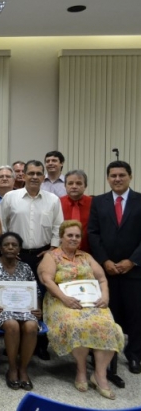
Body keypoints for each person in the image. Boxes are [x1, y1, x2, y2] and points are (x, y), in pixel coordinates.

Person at [38, 221, 124, 399]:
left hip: (92, 302)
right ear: (61, 237)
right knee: (77, 324)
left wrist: (106, 297)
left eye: (77, 236)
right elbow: (47, 280)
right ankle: (81, 370)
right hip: (61, 301)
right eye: (70, 235)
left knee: (108, 326)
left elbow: (102, 279)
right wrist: (65, 298)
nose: (74, 239)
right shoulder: (52, 256)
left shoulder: (86, 257)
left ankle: (100, 375)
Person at [0, 159, 63, 360]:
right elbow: (1, 223)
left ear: (43, 177)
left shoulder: (53, 200)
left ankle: (40, 345)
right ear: (23, 176)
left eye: (38, 173)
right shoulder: (11, 197)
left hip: (42, 255)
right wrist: (5, 249)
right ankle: (13, 343)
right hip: (15, 255)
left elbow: (57, 227)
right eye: (31, 173)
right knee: (14, 299)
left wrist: (52, 249)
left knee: (41, 298)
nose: (34, 177)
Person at [88, 160, 141, 375]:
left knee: (136, 315)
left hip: (135, 270)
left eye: (121, 175)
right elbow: (93, 233)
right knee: (107, 314)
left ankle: (135, 354)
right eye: (113, 176)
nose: (117, 179)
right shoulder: (98, 202)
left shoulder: (140, 201)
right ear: (108, 178)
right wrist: (105, 261)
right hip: (107, 269)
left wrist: (133, 260)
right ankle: (104, 356)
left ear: (130, 176)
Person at [0, 232, 42, 391]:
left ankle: (23, 369)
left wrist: (38, 309)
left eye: (14, 245)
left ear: (19, 248)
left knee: (31, 326)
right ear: (0, 247)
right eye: (6, 245)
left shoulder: (25, 267)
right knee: (12, 325)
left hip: (24, 309)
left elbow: (35, 292)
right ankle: (12, 369)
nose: (10, 247)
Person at [60, 170, 92, 253]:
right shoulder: (57, 203)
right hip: (62, 252)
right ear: (65, 186)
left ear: (85, 186)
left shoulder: (94, 204)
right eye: (70, 183)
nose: (74, 186)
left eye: (78, 183)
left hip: (89, 252)